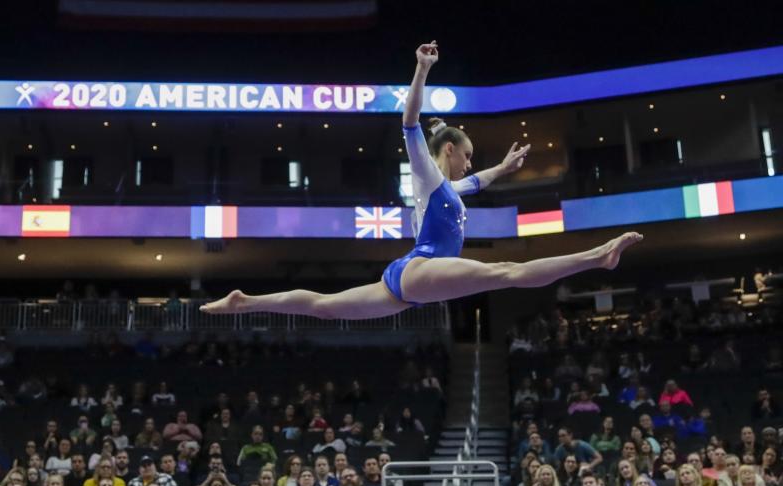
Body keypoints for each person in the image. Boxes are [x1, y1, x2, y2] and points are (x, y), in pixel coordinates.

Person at [200, 41, 641, 319]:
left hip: (408, 283)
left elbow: (474, 185)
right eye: (466, 156)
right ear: (448, 150)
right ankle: (598, 255)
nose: (469, 165)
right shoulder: (428, 173)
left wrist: (502, 170)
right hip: (422, 269)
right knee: (507, 271)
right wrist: (422, 70)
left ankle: (247, 301)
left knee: (324, 305)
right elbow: (410, 122)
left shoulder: (446, 189)